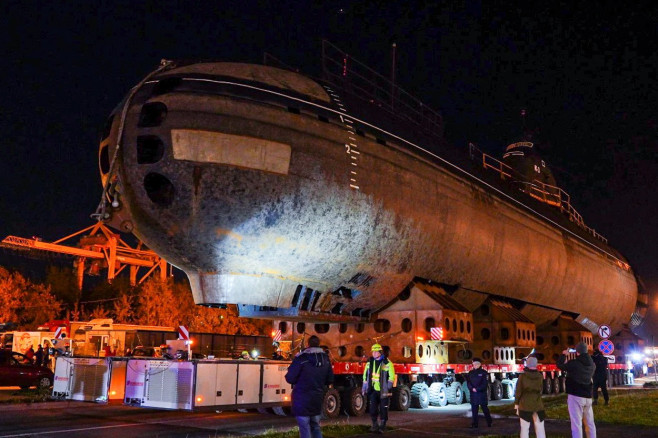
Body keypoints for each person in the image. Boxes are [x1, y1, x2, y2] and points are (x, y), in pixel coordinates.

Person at [285, 335, 334, 438]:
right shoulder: (326, 359)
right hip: (317, 399)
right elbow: (330, 379)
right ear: (319, 344)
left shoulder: (301, 358)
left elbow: (290, 378)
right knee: (315, 426)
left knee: (304, 428)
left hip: (301, 400)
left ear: (307, 344)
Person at [557, 342, 596, 438]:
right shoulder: (592, 364)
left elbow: (559, 365)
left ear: (577, 352)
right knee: (590, 423)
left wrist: (563, 355)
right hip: (588, 396)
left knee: (576, 424)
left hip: (575, 396)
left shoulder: (574, 363)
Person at [361, 343, 396, 433]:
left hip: (384, 390)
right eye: (373, 352)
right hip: (373, 390)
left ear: (380, 352)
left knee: (383, 408)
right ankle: (375, 425)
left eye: (376, 352)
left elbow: (391, 376)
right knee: (372, 408)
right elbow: (365, 375)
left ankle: (382, 426)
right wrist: (364, 387)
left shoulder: (387, 363)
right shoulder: (370, 362)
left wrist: (388, 386)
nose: (374, 353)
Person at [515, 356, 546, 438]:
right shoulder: (539, 376)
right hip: (537, 404)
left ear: (527, 364)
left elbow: (518, 391)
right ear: (536, 364)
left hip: (525, 404)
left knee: (524, 428)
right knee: (540, 428)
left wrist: (516, 404)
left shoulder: (522, 376)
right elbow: (540, 390)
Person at [467, 357, 492, 428]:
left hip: (481, 394)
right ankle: (475, 424)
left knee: (485, 409)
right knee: (474, 411)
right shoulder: (470, 373)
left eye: (476, 364)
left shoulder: (484, 373)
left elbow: (485, 384)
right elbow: (468, 382)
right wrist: (472, 388)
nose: (474, 365)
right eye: (473, 364)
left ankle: (489, 422)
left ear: (479, 364)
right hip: (473, 394)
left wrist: (477, 389)